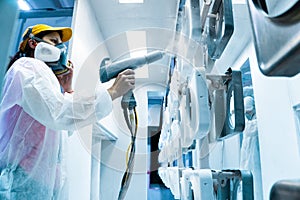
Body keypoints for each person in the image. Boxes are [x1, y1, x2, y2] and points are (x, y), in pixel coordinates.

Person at [0, 24, 135, 199]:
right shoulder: (28, 66)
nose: (60, 48)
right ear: (34, 44)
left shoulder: (43, 77)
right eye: (53, 41)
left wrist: (67, 90)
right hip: (21, 179)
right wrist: (112, 92)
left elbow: (64, 128)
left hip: (36, 181)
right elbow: (59, 114)